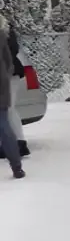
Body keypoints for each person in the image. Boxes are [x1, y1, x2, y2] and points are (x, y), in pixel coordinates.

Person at [0, 16, 26, 179]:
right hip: (1, 85)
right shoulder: (2, 34)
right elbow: (9, 62)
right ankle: (17, 167)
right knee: (4, 124)